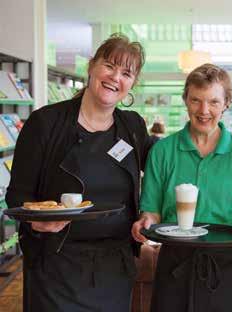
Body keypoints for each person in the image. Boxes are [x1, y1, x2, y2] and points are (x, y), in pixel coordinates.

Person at [6, 33, 154, 311]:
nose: (115, 77)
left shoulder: (133, 126)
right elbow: (18, 195)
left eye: (126, 73)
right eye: (109, 66)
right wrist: (36, 222)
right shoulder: (45, 123)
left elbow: (159, 170)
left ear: (132, 83)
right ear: (92, 66)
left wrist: (150, 214)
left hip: (115, 267)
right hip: (56, 266)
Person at [132, 63, 232, 312]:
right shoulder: (162, 151)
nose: (204, 110)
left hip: (225, 265)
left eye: (213, 102)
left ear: (226, 103)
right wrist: (146, 222)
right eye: (196, 100)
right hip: (174, 261)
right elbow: (152, 212)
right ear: (185, 100)